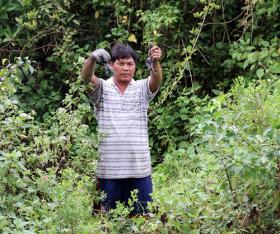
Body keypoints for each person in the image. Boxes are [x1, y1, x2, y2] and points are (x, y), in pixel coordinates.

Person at [81, 42, 162, 215]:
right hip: (109, 171)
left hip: (139, 170)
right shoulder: (102, 88)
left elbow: (156, 81)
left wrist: (155, 62)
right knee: (107, 223)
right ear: (111, 65)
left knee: (142, 220)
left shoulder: (141, 88)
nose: (126, 68)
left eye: (130, 64)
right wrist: (92, 58)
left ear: (135, 67)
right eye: (121, 63)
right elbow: (86, 78)